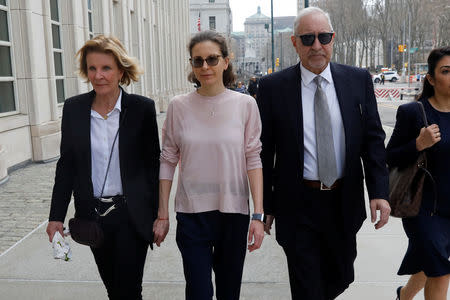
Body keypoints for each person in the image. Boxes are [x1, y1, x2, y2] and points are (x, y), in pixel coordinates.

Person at [256, 7, 390, 299]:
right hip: (298, 203)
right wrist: (265, 204)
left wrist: (379, 191)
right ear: (294, 43)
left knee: (340, 277)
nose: (316, 45)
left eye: (323, 37)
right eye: (307, 38)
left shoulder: (357, 80)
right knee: (308, 287)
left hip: (343, 202)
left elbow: (373, 139)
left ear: (333, 39)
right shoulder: (272, 88)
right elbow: (264, 153)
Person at [45, 35, 160, 299]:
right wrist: (55, 217)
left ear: (121, 70)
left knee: (129, 290)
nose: (99, 75)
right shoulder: (74, 109)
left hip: (131, 215)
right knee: (113, 288)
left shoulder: (142, 109)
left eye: (106, 68)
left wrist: (157, 215)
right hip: (93, 215)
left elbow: (153, 167)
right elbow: (67, 167)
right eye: (92, 68)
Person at [153, 30, 264, 300]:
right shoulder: (178, 106)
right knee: (199, 292)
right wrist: (162, 214)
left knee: (229, 292)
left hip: (233, 214)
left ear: (226, 62)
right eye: (197, 61)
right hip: (191, 215)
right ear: (191, 65)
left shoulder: (246, 105)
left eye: (212, 59)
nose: (205, 67)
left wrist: (258, 215)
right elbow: (168, 160)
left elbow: (253, 158)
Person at [387, 46, 450, 300]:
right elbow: (389, 157)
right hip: (424, 208)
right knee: (440, 270)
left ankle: (404, 296)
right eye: (446, 71)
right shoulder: (414, 113)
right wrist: (418, 144)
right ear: (431, 79)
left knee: (430, 263)